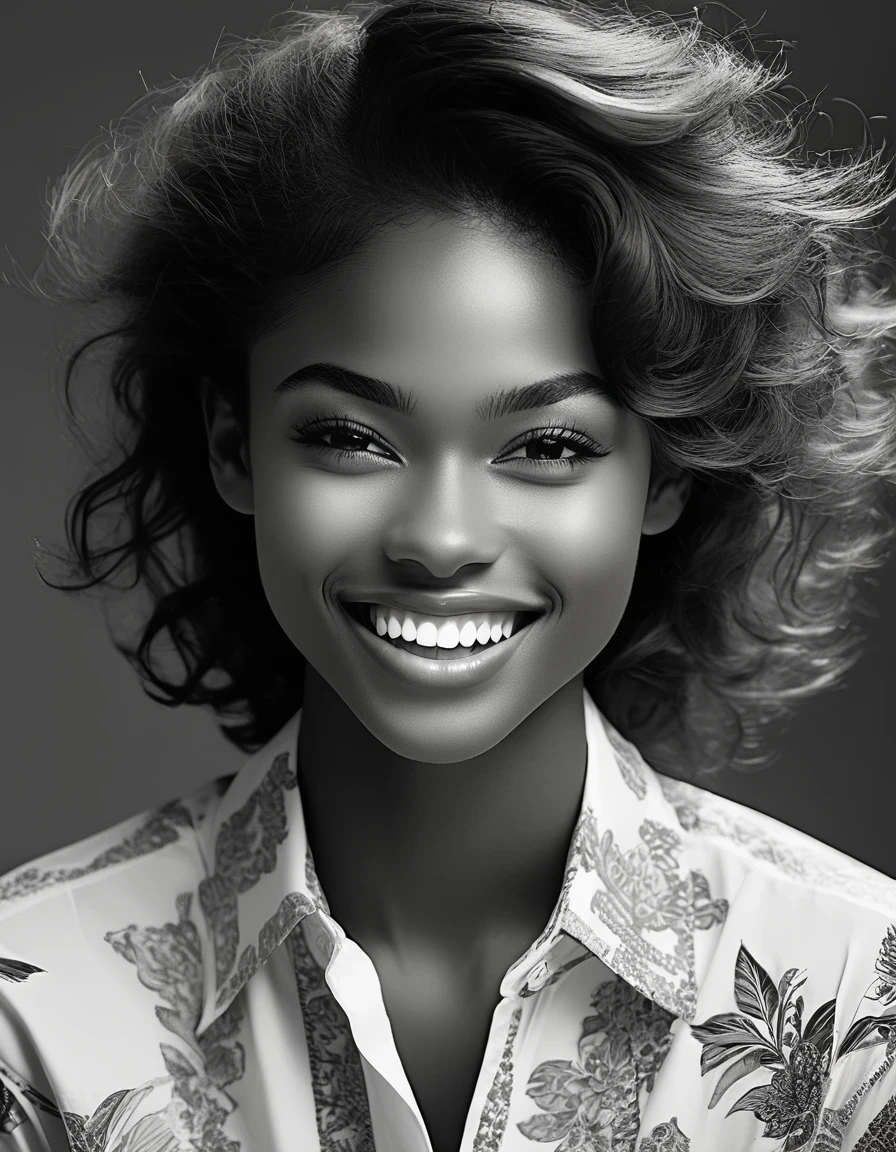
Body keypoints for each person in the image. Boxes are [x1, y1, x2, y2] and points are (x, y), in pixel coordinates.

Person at [2, 0, 896, 1148]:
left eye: (548, 447)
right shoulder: (28, 1022)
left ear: (663, 477)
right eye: (348, 437)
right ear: (234, 448)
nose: (437, 536)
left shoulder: (861, 1014)